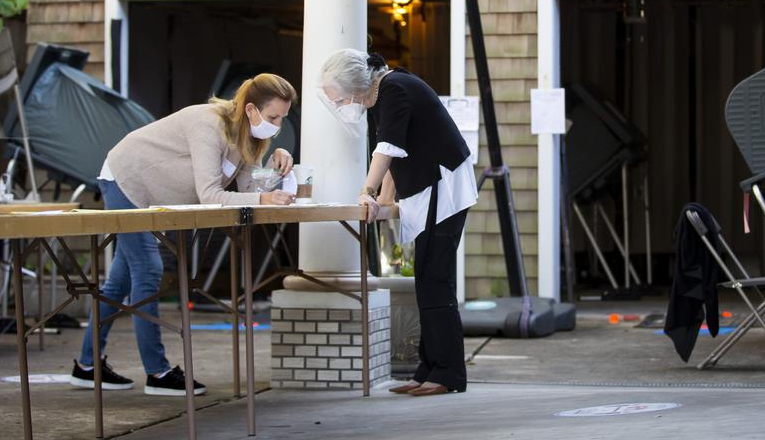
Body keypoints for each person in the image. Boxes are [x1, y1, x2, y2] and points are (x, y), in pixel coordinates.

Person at [69, 73, 297, 396]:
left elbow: (248, 189)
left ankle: (86, 366)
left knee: (119, 282)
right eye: (273, 117)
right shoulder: (208, 124)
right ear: (250, 110)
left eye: (282, 119)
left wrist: (277, 165)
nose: (276, 125)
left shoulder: (252, 138)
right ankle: (158, 373)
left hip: (147, 190)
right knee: (147, 271)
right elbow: (210, 194)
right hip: (126, 180)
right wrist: (263, 197)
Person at [319, 49, 477, 396]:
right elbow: (396, 151)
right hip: (430, 187)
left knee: (435, 279)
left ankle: (448, 374)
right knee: (427, 279)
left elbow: (387, 148)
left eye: (341, 98)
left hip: (444, 186)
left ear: (357, 88)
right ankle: (428, 369)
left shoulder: (395, 89)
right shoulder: (383, 94)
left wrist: (367, 189)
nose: (342, 105)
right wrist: (382, 199)